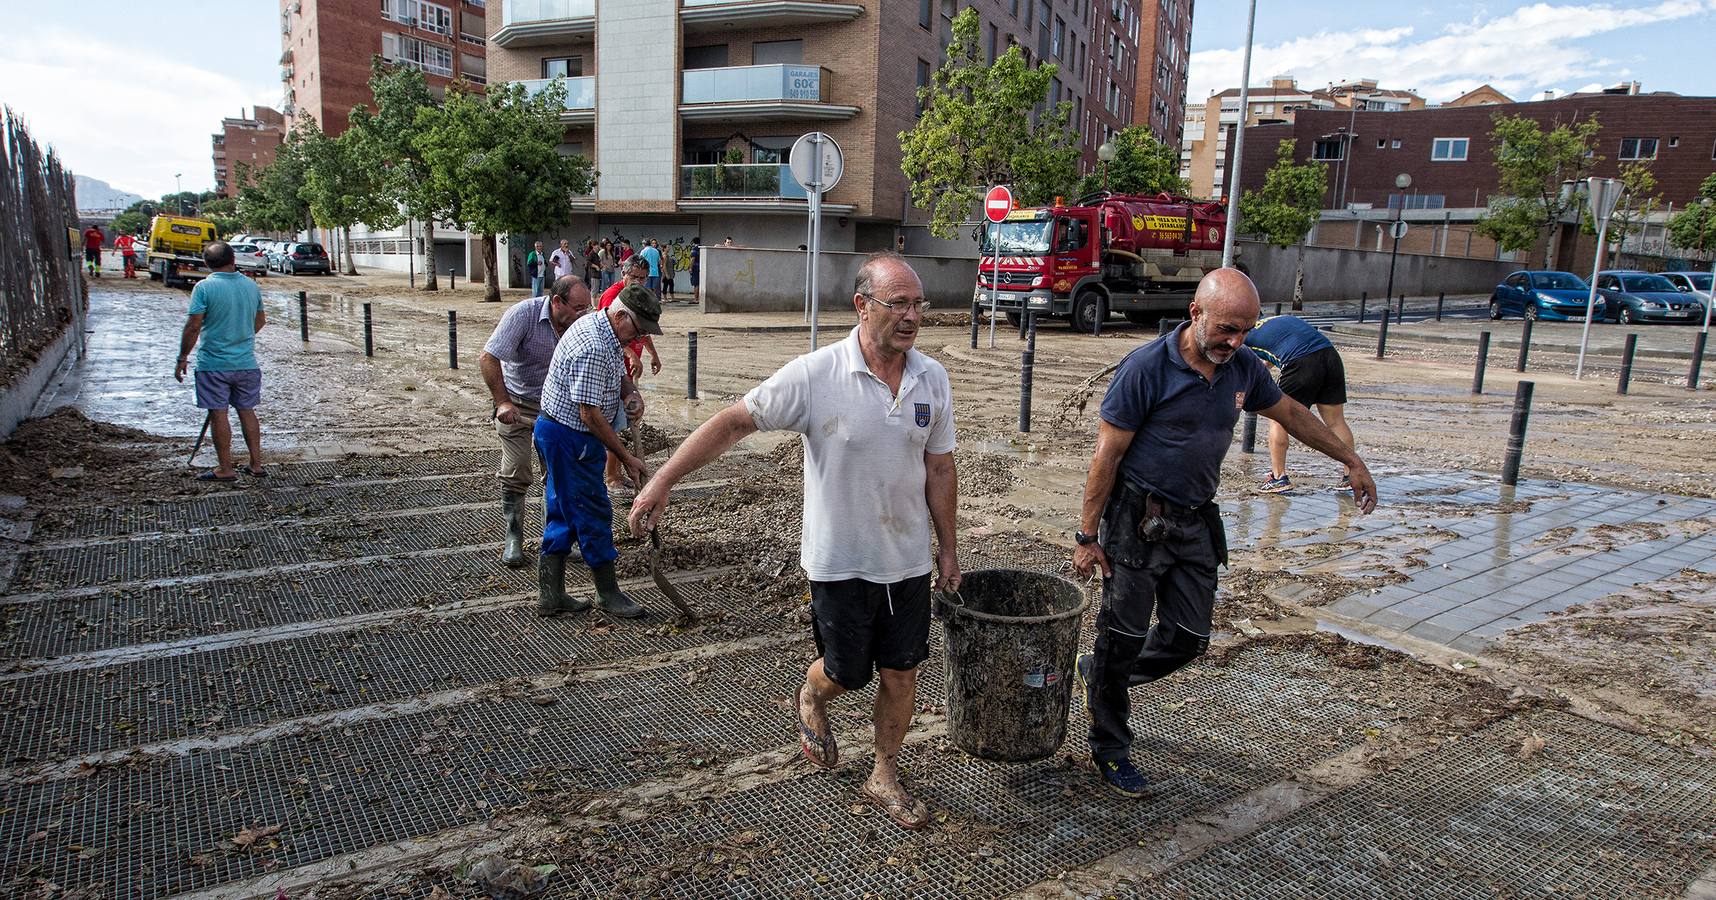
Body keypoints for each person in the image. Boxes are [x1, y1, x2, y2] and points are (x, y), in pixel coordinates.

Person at [629, 252, 960, 831]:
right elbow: (734, 421)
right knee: (847, 671)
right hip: (840, 561)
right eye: (898, 303)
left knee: (903, 672)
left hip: (906, 560)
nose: (912, 316)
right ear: (862, 306)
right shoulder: (815, 375)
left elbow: (939, 469)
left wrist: (949, 549)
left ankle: (885, 771)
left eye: (918, 304)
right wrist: (662, 480)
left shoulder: (932, 378)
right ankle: (810, 696)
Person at [1070, 269, 1377, 799]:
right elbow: (1107, 456)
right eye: (1227, 330)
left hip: (1193, 521)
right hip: (1134, 521)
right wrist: (1086, 534)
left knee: (1188, 639)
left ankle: (1099, 672)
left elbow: (1290, 412)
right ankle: (1111, 748)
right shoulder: (1146, 368)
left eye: (1245, 331)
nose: (1235, 342)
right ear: (1196, 314)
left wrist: (1349, 458)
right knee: (1122, 636)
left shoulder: (1244, 369)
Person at [534, 284, 662, 619]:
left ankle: (552, 595)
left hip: (569, 434)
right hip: (568, 437)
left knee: (563, 509)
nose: (639, 337)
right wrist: (624, 456)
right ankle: (608, 594)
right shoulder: (591, 345)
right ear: (621, 316)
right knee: (592, 512)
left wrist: (630, 392)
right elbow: (588, 413)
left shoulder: (605, 330)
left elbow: (618, 373)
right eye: (639, 329)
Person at [478, 275, 595, 569]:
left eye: (588, 307)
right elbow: (488, 358)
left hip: (555, 407)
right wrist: (502, 401)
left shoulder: (582, 324)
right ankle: (513, 538)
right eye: (579, 307)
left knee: (557, 475)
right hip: (516, 403)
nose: (584, 313)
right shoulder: (523, 315)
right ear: (557, 302)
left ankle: (554, 541)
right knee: (516, 468)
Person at [174, 241, 267, 481]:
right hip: (246, 363)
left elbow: (193, 326)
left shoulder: (203, 288)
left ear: (206, 264)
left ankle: (225, 468)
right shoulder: (251, 286)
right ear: (233, 259)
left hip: (213, 365)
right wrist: (241, 336)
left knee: (219, 414)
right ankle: (256, 464)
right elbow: (260, 321)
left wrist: (182, 357)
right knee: (247, 411)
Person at [1243, 314, 1358, 494]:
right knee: (1336, 421)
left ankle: (1278, 478)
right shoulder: (1278, 319)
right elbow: (1274, 352)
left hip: (1301, 361)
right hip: (1330, 356)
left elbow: (1241, 365)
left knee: (1278, 417)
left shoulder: (1243, 336)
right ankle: (1351, 476)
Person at [597, 255, 663, 490]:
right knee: (615, 422)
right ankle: (612, 476)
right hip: (614, 366)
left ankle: (619, 470)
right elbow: (608, 331)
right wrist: (631, 354)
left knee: (625, 420)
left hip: (629, 368)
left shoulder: (640, 297)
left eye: (642, 279)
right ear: (623, 274)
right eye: (633, 277)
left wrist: (652, 353)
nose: (637, 282)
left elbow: (643, 329)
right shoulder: (612, 296)